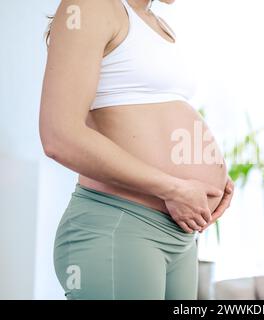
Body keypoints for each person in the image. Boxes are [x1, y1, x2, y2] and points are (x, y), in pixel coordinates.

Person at [39, 0, 234, 299]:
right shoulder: (90, 6)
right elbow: (59, 136)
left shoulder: (155, 22)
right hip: (120, 224)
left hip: (180, 236)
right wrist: (173, 187)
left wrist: (211, 173)